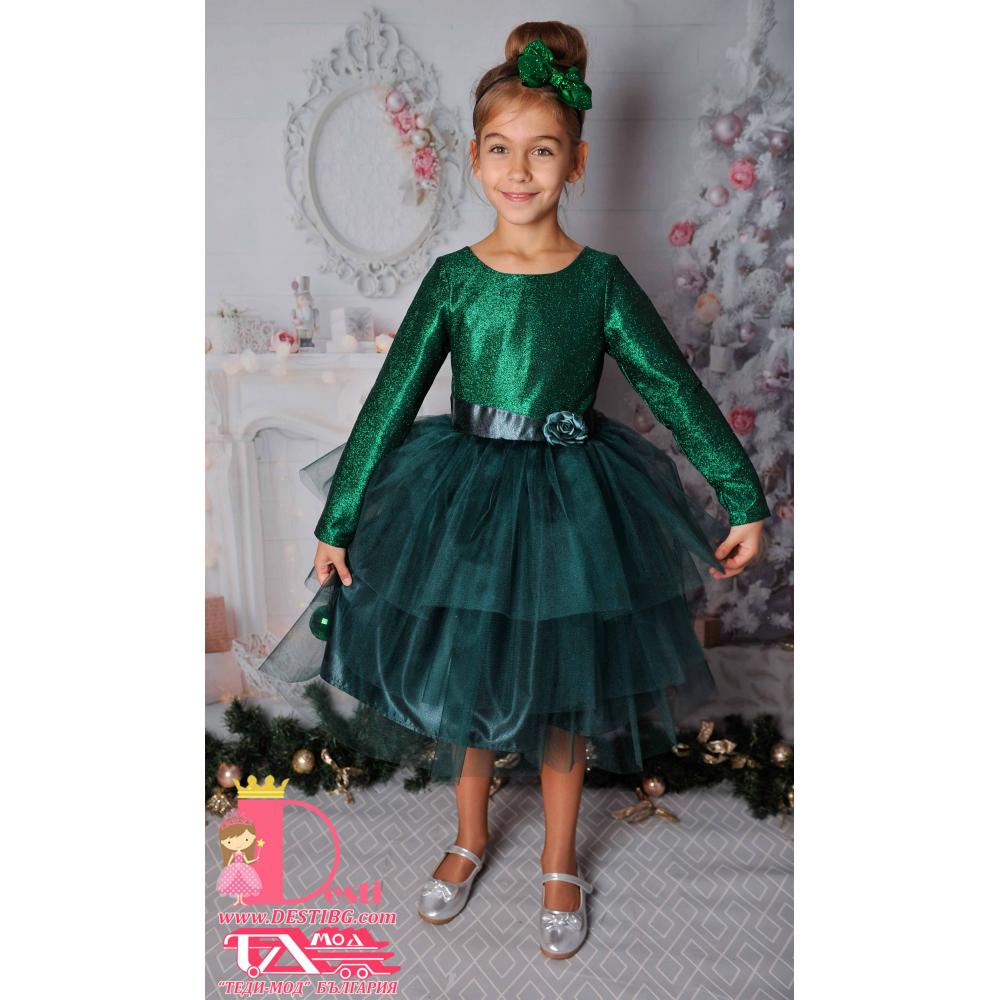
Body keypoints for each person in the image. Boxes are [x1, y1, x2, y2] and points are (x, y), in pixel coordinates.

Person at [259, 21, 770, 960]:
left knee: (564, 688)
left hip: (573, 506)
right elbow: (391, 398)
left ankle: (561, 857)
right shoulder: (454, 279)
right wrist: (341, 516)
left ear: (577, 162)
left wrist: (743, 496)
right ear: (474, 158)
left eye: (542, 150)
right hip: (464, 500)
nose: (520, 169)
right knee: (469, 674)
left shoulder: (600, 281)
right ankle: (468, 836)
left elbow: (674, 389)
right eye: (501, 149)